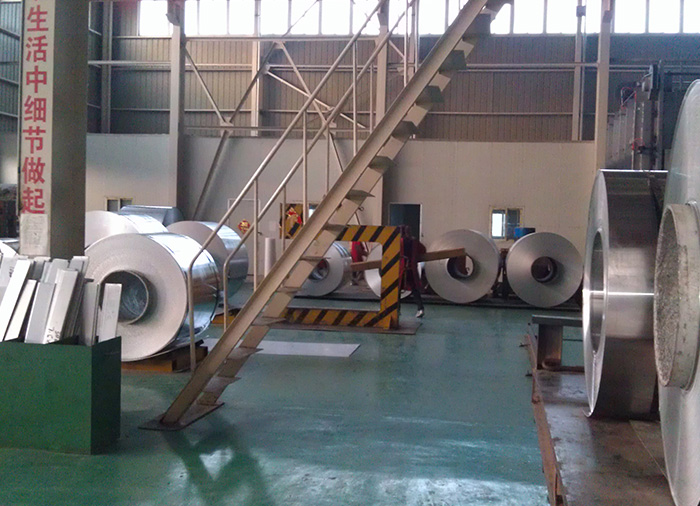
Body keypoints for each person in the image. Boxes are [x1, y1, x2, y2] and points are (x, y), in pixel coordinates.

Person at [400, 226, 426, 318]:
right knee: (415, 289)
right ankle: (420, 309)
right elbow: (423, 250)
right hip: (411, 268)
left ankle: (396, 310)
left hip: (400, 270)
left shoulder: (398, 242)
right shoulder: (414, 241)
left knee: (396, 290)